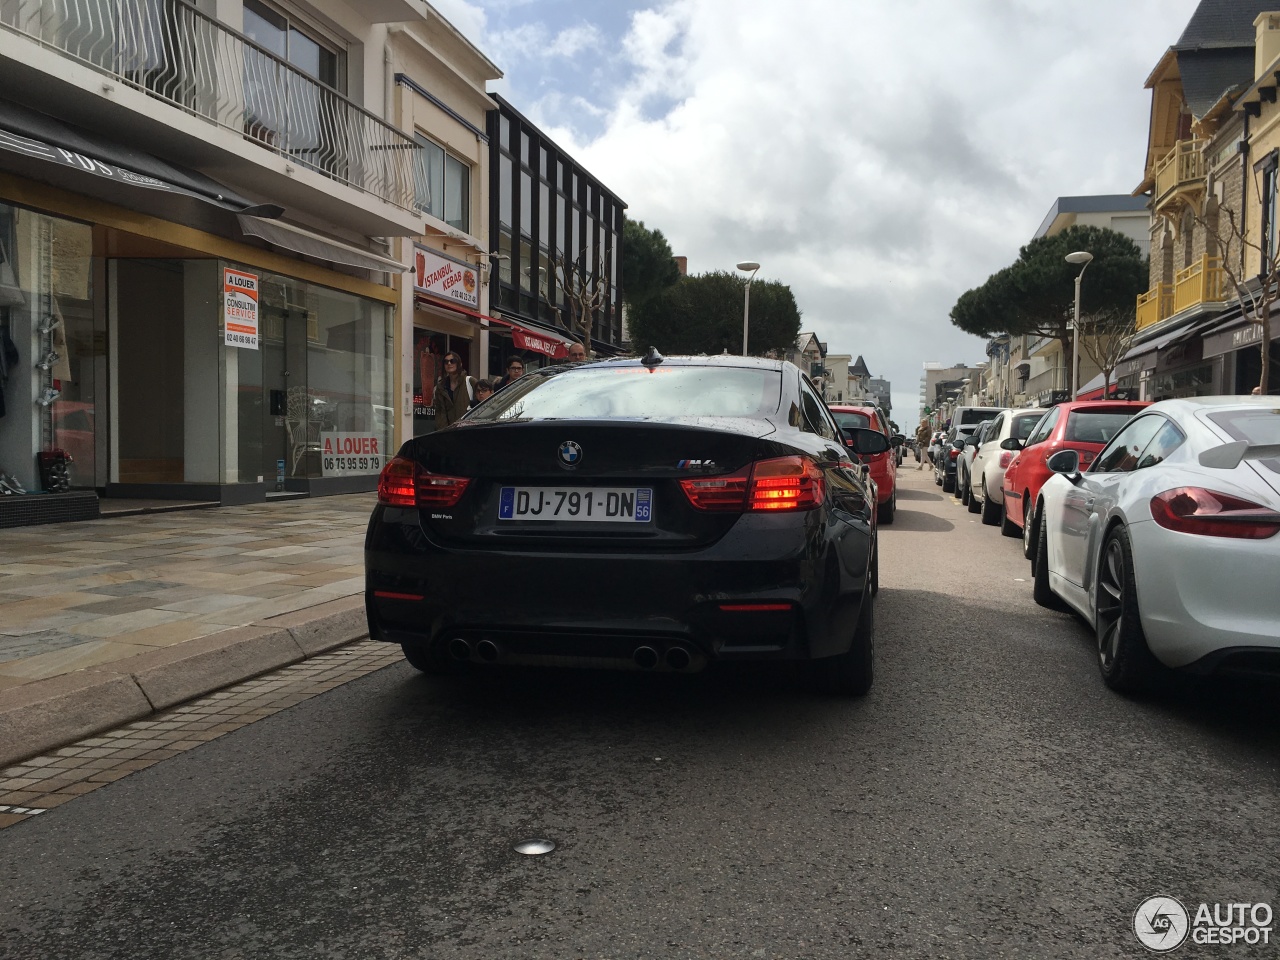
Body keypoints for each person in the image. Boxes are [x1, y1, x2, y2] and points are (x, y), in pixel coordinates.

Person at [432, 351, 473, 429]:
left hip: (468, 431)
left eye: (452, 361)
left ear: (459, 364)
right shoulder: (441, 387)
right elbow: (440, 412)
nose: (449, 364)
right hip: (449, 432)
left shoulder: (470, 381)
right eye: (446, 362)